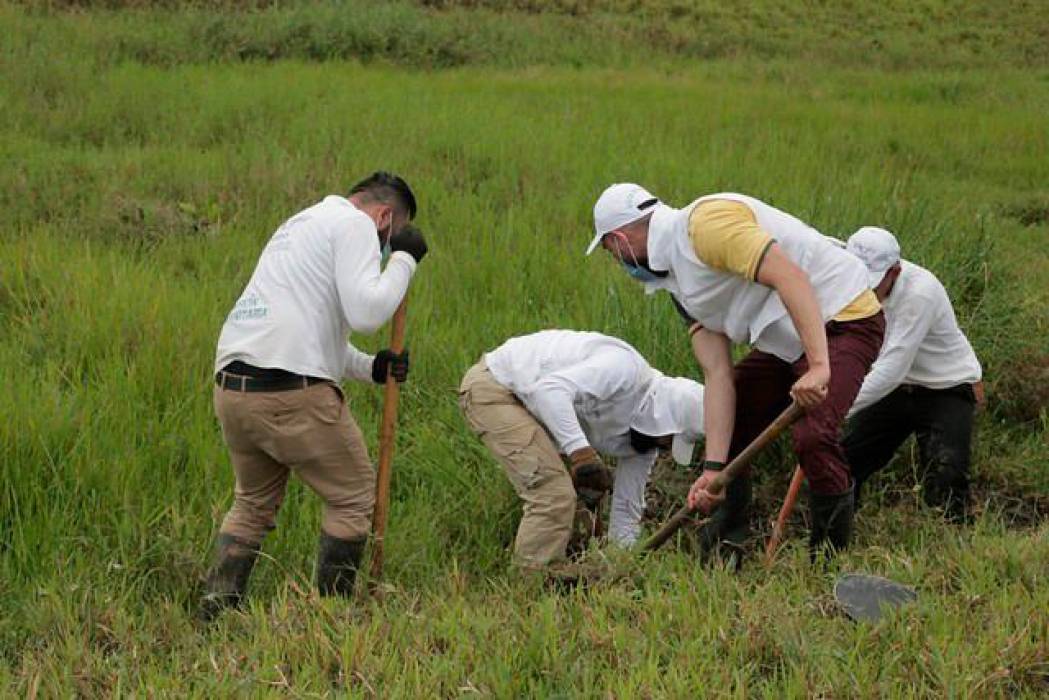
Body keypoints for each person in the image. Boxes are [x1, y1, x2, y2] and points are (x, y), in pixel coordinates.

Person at [587, 183, 885, 561]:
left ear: (618, 238)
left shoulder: (705, 225)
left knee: (813, 435)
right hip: (788, 343)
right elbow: (717, 374)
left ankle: (828, 557)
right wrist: (714, 469)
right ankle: (724, 551)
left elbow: (791, 277)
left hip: (844, 318)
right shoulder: (678, 286)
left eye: (609, 249)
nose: (614, 258)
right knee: (731, 421)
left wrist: (820, 366)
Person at [200, 171, 428, 620]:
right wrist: (404, 260)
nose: (385, 246)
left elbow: (307, 332)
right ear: (384, 215)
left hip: (234, 391)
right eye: (391, 234)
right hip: (291, 394)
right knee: (352, 496)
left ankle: (215, 612)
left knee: (252, 504)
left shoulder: (300, 226)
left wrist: (371, 368)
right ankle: (331, 619)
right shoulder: (356, 225)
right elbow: (366, 314)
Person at [458, 330, 704, 571]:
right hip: (497, 387)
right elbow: (549, 391)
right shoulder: (624, 370)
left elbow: (626, 508)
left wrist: (621, 565)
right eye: (669, 439)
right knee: (553, 494)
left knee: (575, 515)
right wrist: (581, 454)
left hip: (532, 406)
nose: (665, 447)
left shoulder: (644, 444)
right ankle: (529, 591)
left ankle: (562, 579)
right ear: (664, 419)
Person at [842, 226, 983, 521]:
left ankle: (950, 546)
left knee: (946, 473)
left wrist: (836, 407)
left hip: (946, 385)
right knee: (844, 460)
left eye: (872, 282)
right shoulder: (840, 273)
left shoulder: (920, 293)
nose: (864, 290)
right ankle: (834, 537)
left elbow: (891, 368)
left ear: (894, 271)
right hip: (897, 388)